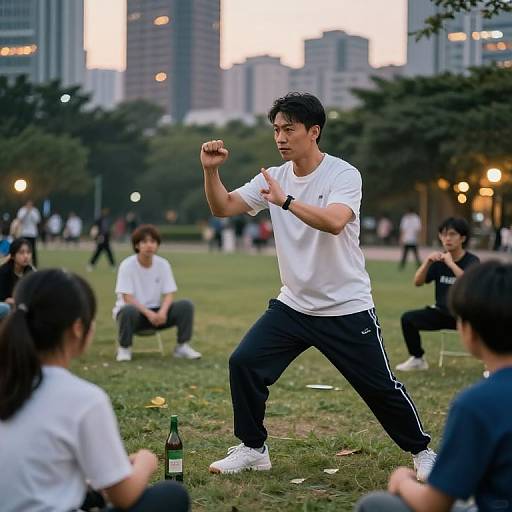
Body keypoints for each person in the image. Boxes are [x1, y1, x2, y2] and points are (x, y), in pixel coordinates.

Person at [200, 92, 434, 478]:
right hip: (293, 305)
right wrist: (211, 171)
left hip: (345, 305)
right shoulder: (272, 178)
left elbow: (336, 220)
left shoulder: (342, 174)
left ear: (314, 131)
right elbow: (222, 206)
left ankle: (422, 452)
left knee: (379, 388)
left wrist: (286, 201)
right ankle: (253, 448)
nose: (280, 137)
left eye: (288, 129)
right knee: (244, 363)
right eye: (276, 129)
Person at [0, 269, 189, 512]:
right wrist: (145, 461)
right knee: (171, 495)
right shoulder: (84, 400)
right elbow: (124, 496)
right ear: (78, 328)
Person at [356, 260, 512, 512]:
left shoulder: (476, 405)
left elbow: (433, 505)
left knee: (374, 504)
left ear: (468, 331)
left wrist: (402, 481)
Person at [396, 218, 480, 371]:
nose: (447, 238)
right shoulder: (438, 261)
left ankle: (493, 365)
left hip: (466, 316)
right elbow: (417, 282)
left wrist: (451, 264)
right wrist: (427, 262)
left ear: (463, 238)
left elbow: (469, 282)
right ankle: (417, 359)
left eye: (452, 234)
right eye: (443, 234)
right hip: (442, 313)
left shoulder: (472, 261)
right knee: (408, 319)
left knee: (493, 324)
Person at [113, 224, 200, 362]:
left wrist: (162, 313)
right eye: (144, 242)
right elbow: (127, 297)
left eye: (153, 242)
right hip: (135, 314)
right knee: (127, 310)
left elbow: (169, 293)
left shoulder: (163, 264)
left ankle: (182, 347)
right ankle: (124, 349)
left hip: (158, 314)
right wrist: (149, 314)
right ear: (136, 245)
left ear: (157, 245)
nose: (149, 245)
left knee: (186, 306)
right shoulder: (127, 265)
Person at [0, 238, 34, 321]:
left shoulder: (30, 272)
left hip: (20, 307)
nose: (26, 256)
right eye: (21, 253)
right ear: (13, 256)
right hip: (5, 307)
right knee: (6, 308)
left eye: (28, 252)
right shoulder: (3, 272)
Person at [16, 200, 41, 267]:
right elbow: (20, 219)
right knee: (23, 249)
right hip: (24, 233)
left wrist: (30, 212)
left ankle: (34, 265)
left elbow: (37, 220)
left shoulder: (35, 211)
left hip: (32, 234)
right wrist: (26, 212)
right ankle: (22, 262)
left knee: (33, 249)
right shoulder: (22, 210)